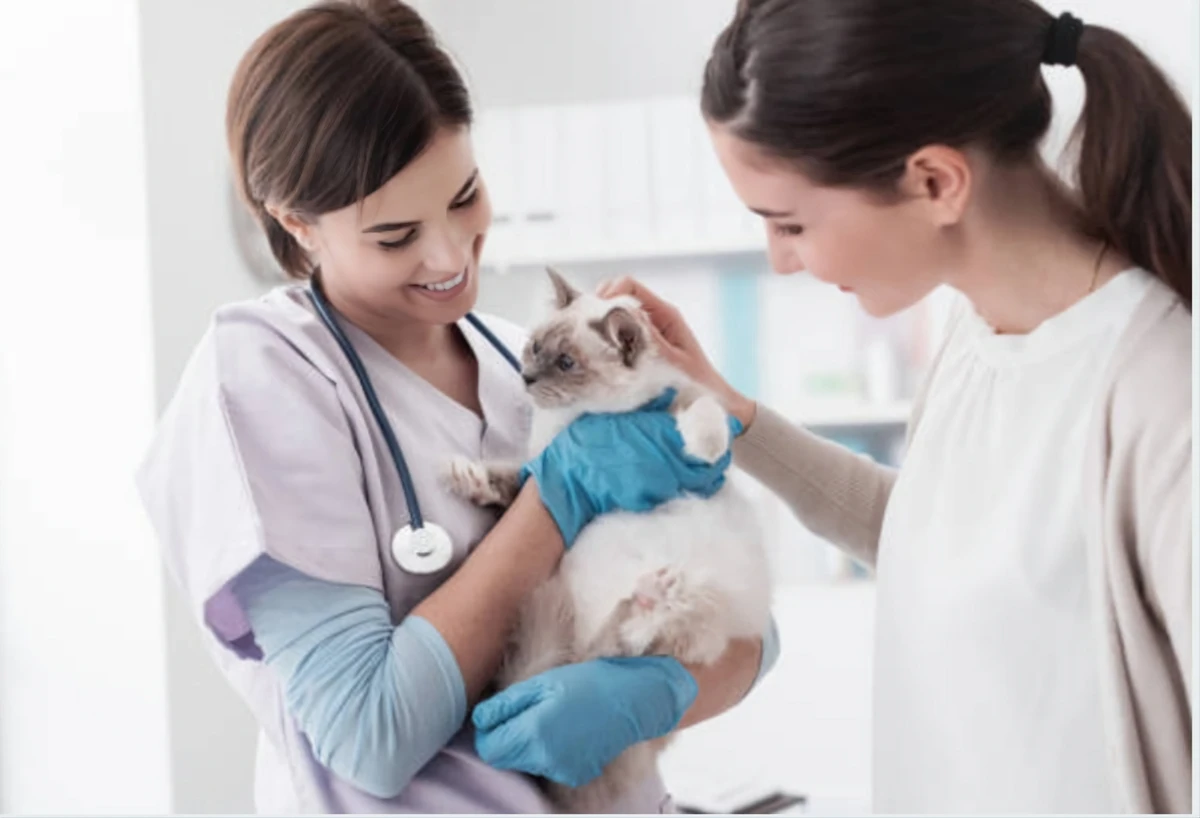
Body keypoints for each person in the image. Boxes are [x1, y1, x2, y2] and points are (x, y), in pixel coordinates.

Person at [134, 0, 779, 813]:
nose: (448, 255)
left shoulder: (528, 361)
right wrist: (555, 497)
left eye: (465, 194)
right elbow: (369, 736)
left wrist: (660, 691)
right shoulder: (266, 377)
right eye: (396, 235)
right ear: (298, 223)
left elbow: (755, 632)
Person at [593, 0, 1191, 813]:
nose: (782, 262)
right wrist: (721, 407)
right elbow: (931, 538)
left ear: (935, 182)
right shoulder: (976, 335)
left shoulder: (1161, 393)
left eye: (791, 222)